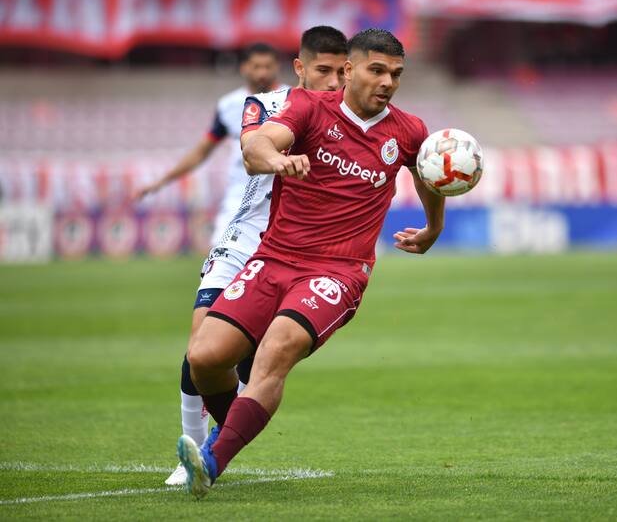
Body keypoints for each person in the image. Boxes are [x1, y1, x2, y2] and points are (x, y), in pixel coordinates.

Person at [176, 28, 445, 498]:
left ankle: (212, 461)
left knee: (275, 350)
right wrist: (279, 162)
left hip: (337, 272)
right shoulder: (308, 108)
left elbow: (428, 175)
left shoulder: (407, 131)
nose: (387, 82)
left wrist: (433, 226)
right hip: (274, 257)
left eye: (396, 74)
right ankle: (235, 424)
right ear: (349, 70)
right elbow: (256, 145)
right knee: (203, 358)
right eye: (377, 70)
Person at [162, 27, 349, 486]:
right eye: (322, 70)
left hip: (298, 252)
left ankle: (217, 447)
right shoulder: (264, 105)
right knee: (200, 347)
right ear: (300, 68)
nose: (332, 82)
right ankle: (191, 451)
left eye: (341, 73)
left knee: (250, 364)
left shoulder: (354, 117)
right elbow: (252, 150)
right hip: (244, 239)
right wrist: (279, 158)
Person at [132, 42, 282, 246]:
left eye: (268, 66)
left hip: (283, 197)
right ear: (244, 68)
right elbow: (201, 152)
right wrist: (161, 182)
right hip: (241, 198)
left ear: (277, 67)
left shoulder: (293, 100)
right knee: (219, 261)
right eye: (257, 66)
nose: (263, 72)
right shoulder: (229, 105)